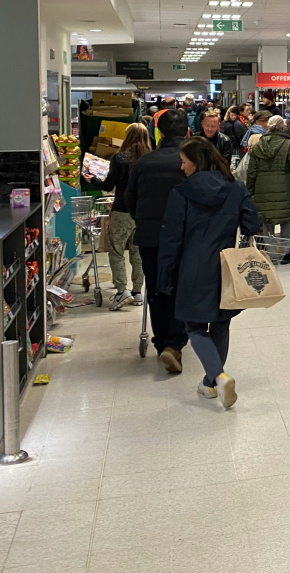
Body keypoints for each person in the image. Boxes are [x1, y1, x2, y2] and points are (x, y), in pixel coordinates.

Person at [158, 137, 260, 409]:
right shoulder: (236, 188)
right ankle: (209, 383)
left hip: (191, 268)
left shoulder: (180, 193)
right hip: (226, 266)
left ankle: (219, 376)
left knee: (194, 326)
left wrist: (165, 275)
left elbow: (171, 239)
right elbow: (252, 224)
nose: (182, 168)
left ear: (197, 162)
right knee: (221, 323)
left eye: (184, 161)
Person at [126, 108, 191, 373]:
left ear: (160, 132)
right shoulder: (190, 161)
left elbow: (131, 200)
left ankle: (162, 341)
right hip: (184, 236)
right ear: (187, 131)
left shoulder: (144, 163)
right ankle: (174, 343)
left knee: (156, 289)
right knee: (181, 287)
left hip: (151, 236)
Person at [84, 122, 150, 311]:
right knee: (138, 253)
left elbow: (107, 185)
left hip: (122, 210)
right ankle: (138, 291)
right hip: (143, 212)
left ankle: (122, 291)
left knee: (117, 250)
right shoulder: (150, 159)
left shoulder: (120, 158)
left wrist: (92, 179)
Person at [245, 115, 290, 242]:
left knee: (267, 224)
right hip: (285, 189)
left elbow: (251, 172)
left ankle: (271, 254)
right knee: (286, 222)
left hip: (262, 190)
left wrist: (249, 192)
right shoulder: (288, 145)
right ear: (283, 128)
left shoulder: (258, 146)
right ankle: (284, 253)